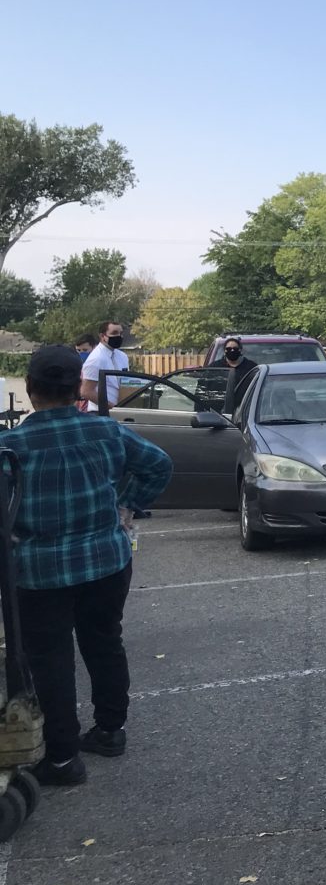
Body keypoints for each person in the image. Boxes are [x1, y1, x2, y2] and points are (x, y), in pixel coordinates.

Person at [0, 346, 172, 785]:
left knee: (50, 659)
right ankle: (111, 730)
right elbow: (159, 464)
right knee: (103, 641)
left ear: (31, 389)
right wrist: (127, 505)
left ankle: (61, 757)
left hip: (40, 573)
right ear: (78, 386)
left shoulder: (11, 447)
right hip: (107, 562)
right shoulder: (106, 432)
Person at [80, 319, 128, 412]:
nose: (119, 336)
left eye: (120, 333)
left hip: (121, 411)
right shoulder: (96, 359)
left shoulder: (122, 356)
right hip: (100, 412)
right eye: (114, 333)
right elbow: (86, 391)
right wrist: (111, 407)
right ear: (103, 336)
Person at [209, 336, 260, 404]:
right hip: (219, 409)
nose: (232, 351)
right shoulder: (214, 367)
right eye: (229, 349)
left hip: (246, 407)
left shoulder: (251, 367)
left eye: (235, 348)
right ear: (224, 351)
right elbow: (204, 389)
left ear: (240, 350)